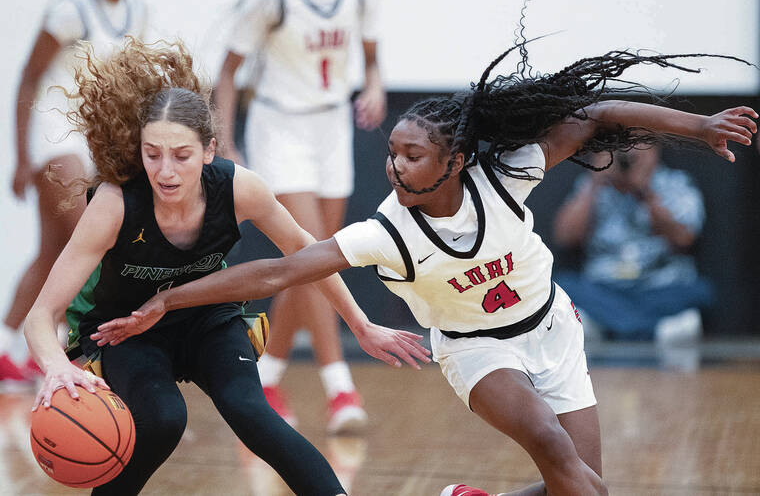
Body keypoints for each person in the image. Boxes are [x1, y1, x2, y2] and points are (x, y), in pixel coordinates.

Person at [91, 39, 757, 495]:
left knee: (583, 484)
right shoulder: (387, 231)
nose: (396, 166)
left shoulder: (509, 174)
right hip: (478, 352)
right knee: (557, 452)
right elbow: (276, 273)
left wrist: (696, 128)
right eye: (393, 154)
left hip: (554, 330)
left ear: (456, 159)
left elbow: (593, 113)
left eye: (412, 156)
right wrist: (167, 301)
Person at [23, 39, 428, 496]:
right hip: (127, 330)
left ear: (209, 150)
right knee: (163, 419)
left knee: (251, 411)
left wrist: (362, 325)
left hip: (205, 319)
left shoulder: (240, 189)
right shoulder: (115, 204)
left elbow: (309, 256)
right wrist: (56, 368)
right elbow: (40, 316)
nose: (165, 171)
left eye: (181, 155)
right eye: (152, 153)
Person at [214, 0, 386, 432]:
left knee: (309, 265)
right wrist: (229, 144)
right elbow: (228, 73)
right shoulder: (272, 1)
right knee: (315, 256)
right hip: (280, 127)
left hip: (331, 127)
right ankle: (340, 388)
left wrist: (374, 85)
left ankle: (265, 380)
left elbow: (370, 58)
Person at [3, 0, 148, 389]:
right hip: (54, 135)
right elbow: (29, 78)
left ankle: (4, 348)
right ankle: (67, 349)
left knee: (53, 252)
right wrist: (20, 157)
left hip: (96, 138)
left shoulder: (137, 9)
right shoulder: (69, 9)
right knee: (91, 244)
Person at [553, 145, 712, 343]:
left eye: (636, 146)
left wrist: (645, 189)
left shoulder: (674, 182)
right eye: (617, 148)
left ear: (654, 150)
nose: (626, 155)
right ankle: (653, 329)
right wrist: (595, 181)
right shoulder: (591, 185)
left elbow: (684, 238)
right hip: (604, 288)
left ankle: (609, 327)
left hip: (659, 288)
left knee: (700, 291)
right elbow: (565, 237)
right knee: (563, 286)